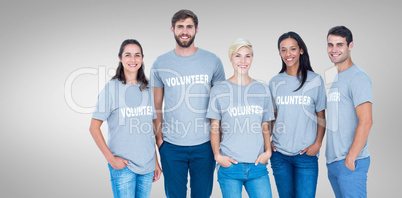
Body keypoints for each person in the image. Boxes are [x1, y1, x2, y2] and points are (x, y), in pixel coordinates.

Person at [150, 9, 225, 198]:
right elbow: (156, 105)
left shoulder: (213, 61)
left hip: (205, 144)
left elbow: (222, 104)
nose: (185, 31)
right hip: (171, 145)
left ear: (196, 30)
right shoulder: (160, 63)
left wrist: (220, 139)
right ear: (172, 29)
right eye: (180, 27)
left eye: (189, 27)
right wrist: (159, 140)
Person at [89, 39, 162, 198]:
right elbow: (93, 128)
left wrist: (155, 161)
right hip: (124, 167)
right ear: (120, 58)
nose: (133, 59)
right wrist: (111, 159)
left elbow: (149, 129)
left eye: (137, 55)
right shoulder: (111, 89)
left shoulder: (148, 88)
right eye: (127, 55)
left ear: (142, 58)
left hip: (147, 167)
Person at [207, 38, 274, 198]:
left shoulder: (262, 89)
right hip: (230, 166)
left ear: (252, 58)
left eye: (247, 56)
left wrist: (268, 152)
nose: (243, 61)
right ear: (231, 58)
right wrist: (217, 156)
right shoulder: (219, 90)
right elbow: (214, 127)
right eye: (238, 56)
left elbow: (265, 125)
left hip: (257, 165)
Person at [268, 31, 326, 198]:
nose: (288, 54)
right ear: (279, 53)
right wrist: (267, 142)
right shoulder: (275, 82)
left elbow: (321, 116)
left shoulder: (315, 80)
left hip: (306, 155)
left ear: (301, 50)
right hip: (280, 155)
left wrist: (318, 144)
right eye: (283, 50)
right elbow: (273, 117)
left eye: (292, 49)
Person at [325, 26, 373, 198]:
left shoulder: (358, 77)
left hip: (351, 162)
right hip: (334, 162)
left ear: (350, 46)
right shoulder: (334, 77)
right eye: (330, 45)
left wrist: (351, 158)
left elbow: (366, 121)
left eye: (340, 45)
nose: (334, 50)